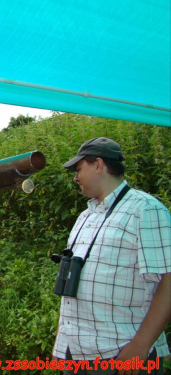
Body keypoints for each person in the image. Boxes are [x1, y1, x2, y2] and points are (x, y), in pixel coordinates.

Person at [52, 137, 171, 375]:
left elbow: (168, 282)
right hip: (74, 355)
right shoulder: (85, 216)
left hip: (120, 354)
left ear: (98, 165)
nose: (75, 178)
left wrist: (141, 344)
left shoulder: (146, 210)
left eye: (78, 169)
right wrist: (61, 345)